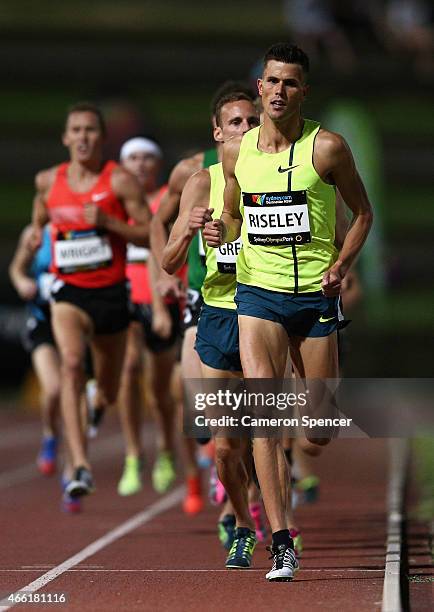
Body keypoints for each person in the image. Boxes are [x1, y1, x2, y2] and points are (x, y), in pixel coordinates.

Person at [204, 42, 373, 581]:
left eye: (291, 83)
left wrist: (342, 265)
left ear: (304, 91)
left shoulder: (328, 149)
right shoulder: (237, 152)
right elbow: (231, 215)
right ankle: (280, 540)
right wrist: (218, 231)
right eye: (272, 82)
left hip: (313, 297)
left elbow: (364, 214)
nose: (280, 91)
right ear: (260, 87)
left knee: (318, 430)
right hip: (256, 295)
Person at [30, 102, 150, 500]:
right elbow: (39, 216)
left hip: (112, 296)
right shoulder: (48, 181)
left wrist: (108, 223)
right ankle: (78, 464)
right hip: (69, 293)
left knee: (111, 392)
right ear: (66, 138)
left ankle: (98, 401)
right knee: (69, 364)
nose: (83, 137)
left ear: (101, 137)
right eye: (76, 130)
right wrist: (35, 233)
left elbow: (148, 233)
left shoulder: (120, 182)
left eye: (90, 130)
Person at [163, 91, 262, 567]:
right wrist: (186, 232)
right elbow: (166, 253)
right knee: (222, 439)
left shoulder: (285, 172)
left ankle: (271, 519)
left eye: (252, 120)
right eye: (235, 121)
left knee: (285, 433)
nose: (245, 127)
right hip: (213, 310)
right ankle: (241, 517)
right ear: (218, 131)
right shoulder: (198, 178)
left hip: (269, 311)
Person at [117, 136, 185, 496]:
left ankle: (165, 448)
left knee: (159, 391)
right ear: (122, 165)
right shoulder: (113, 203)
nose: (140, 164)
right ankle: (132, 453)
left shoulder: (165, 204)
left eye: (147, 158)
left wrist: (161, 302)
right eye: (133, 158)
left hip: (157, 300)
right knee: (128, 369)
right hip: (122, 301)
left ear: (157, 165)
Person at [9, 224, 60, 476]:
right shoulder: (35, 233)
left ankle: (76, 463)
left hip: (79, 322)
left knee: (89, 393)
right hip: (43, 323)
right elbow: (16, 269)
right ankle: (51, 434)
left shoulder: (85, 225)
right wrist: (22, 282)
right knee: (53, 389)